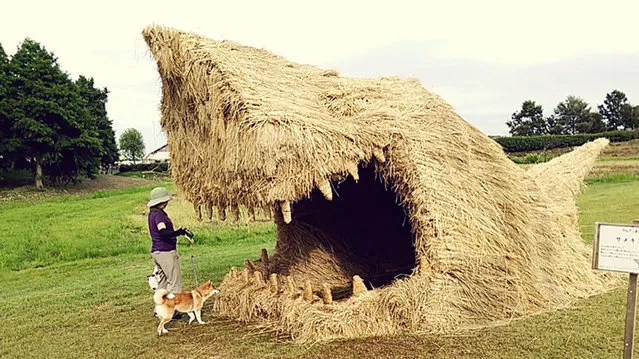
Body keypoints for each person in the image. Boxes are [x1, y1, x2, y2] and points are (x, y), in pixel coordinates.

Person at [147, 187, 193, 296]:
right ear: (160, 202)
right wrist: (179, 232)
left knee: (162, 282)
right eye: (164, 201)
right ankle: (174, 310)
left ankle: (160, 309)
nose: (166, 203)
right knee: (174, 282)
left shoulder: (152, 214)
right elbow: (163, 232)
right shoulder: (159, 215)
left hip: (157, 251)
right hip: (165, 252)